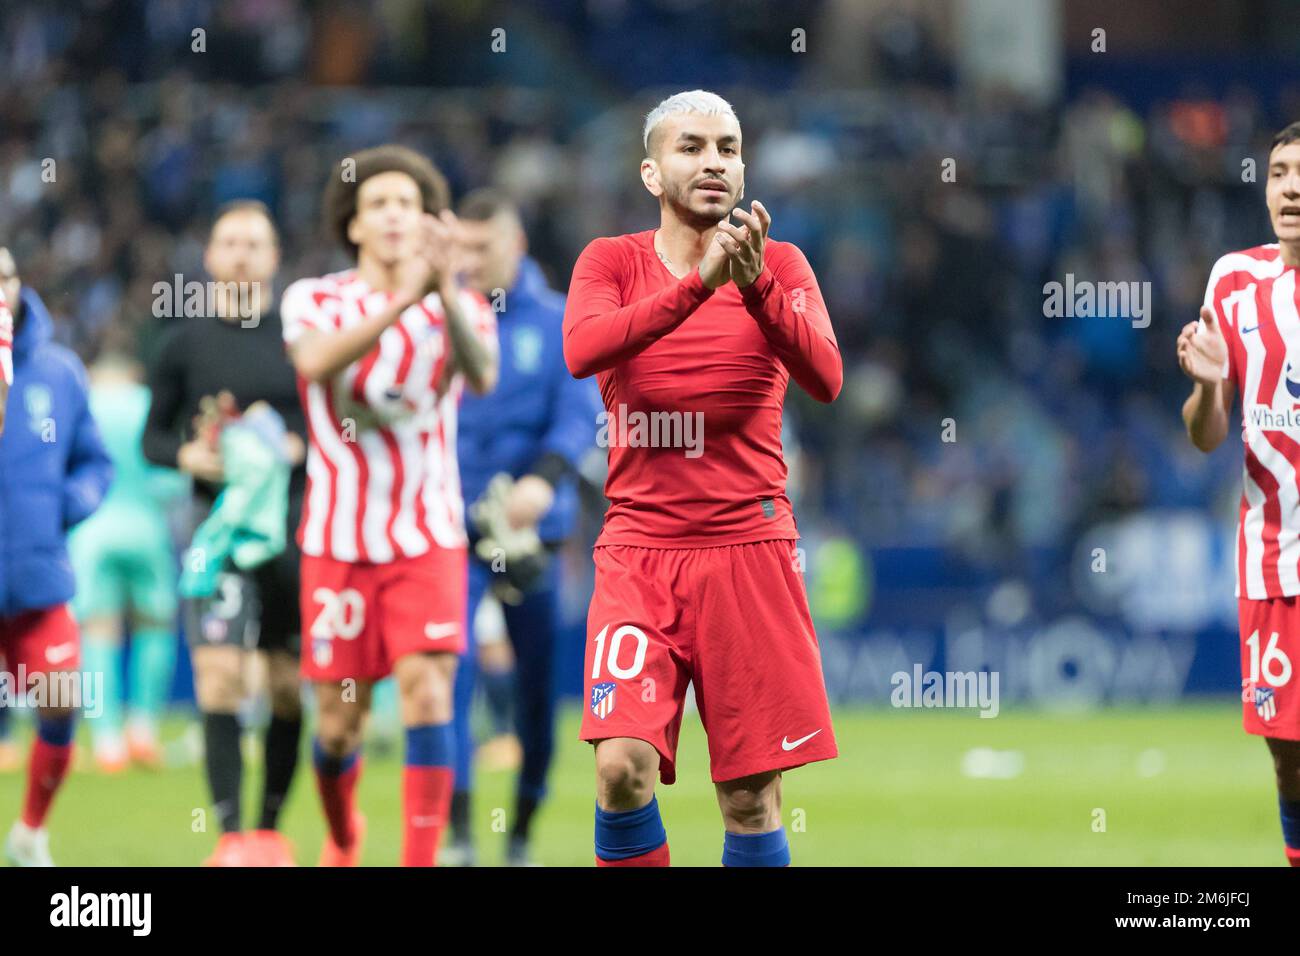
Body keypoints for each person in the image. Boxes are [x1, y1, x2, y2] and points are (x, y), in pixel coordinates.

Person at [563, 90, 841, 867]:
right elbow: (584, 349)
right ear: (651, 173)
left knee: (750, 799)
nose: (714, 160)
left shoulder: (779, 264)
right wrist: (700, 285)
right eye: (691, 147)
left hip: (749, 549)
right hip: (639, 555)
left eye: (728, 146)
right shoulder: (611, 261)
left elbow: (826, 376)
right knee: (621, 769)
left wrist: (751, 285)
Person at [281, 145, 497, 866]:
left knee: (428, 693)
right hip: (337, 541)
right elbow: (314, 362)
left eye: (407, 202)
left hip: (427, 535)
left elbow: (483, 374)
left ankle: (419, 859)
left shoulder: (462, 307)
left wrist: (440, 295)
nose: (394, 214)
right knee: (339, 725)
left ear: (427, 219)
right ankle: (344, 837)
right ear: (354, 224)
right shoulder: (314, 297)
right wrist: (408, 298)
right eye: (378, 204)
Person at [142, 201, 307, 866]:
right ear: (209, 257)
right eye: (229, 243)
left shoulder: (299, 342)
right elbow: (151, 436)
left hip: (292, 532)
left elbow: (331, 428)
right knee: (218, 679)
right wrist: (188, 455)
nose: (240, 254)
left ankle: (269, 829)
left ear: (273, 259)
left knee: (288, 685)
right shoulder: (182, 343)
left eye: (254, 244)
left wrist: (296, 447)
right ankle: (233, 837)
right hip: (216, 533)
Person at [447, 189, 602, 865]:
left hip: (530, 532)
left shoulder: (562, 319)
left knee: (538, 692)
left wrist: (544, 478)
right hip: (450, 526)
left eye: (485, 247)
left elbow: (580, 412)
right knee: (444, 672)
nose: (473, 260)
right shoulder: (441, 314)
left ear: (517, 246)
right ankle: (456, 834)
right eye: (465, 247)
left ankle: (521, 832)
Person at [1178, 120, 1300, 867]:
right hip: (1271, 565)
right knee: (1289, 759)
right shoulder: (1233, 281)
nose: (1294, 188)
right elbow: (1206, 434)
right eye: (1282, 173)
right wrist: (1203, 388)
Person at [0, 248, 113, 865]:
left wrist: (59, 507)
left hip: (36, 578)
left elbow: (96, 462)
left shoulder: (58, 371)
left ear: (20, 286)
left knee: (62, 696)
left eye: (6, 277)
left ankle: (30, 832)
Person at [69, 339, 187, 774]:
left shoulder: (82, 405)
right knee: (154, 626)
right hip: (147, 530)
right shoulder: (147, 404)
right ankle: (144, 730)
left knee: (99, 632)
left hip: (92, 533)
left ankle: (107, 741)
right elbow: (171, 481)